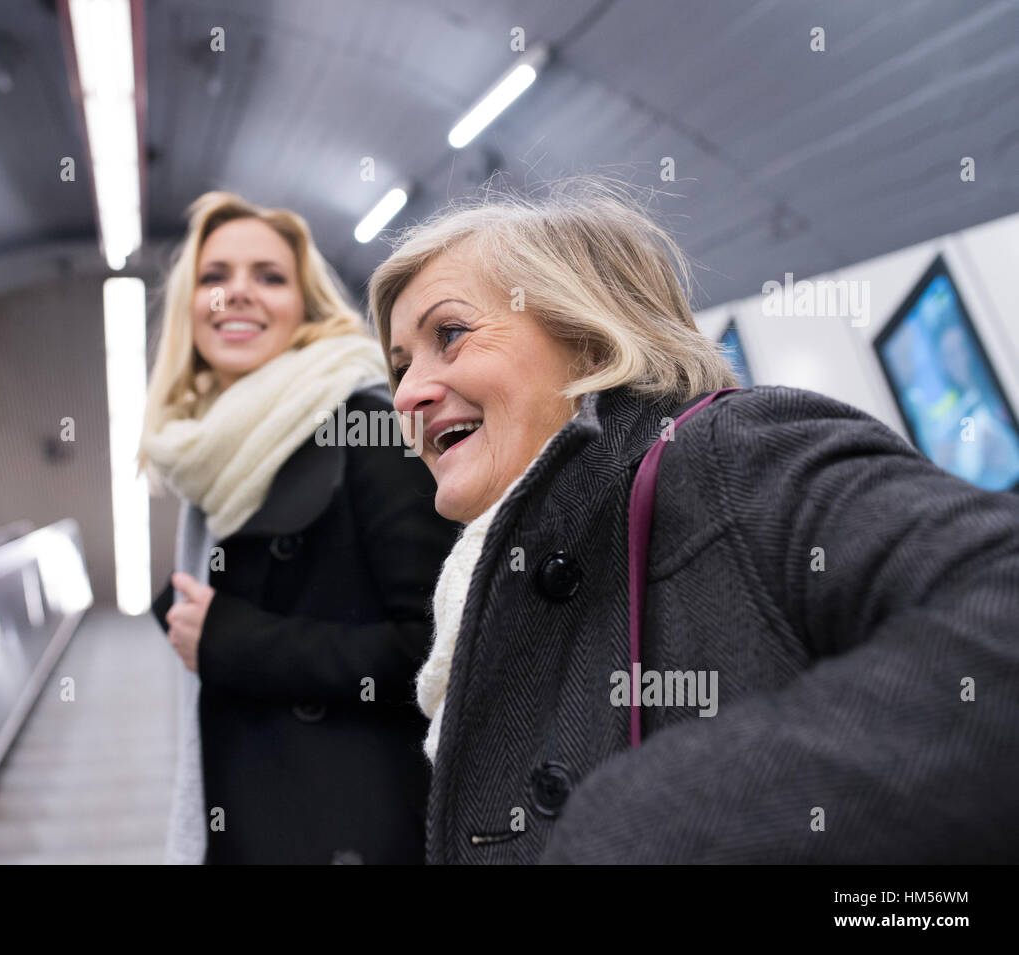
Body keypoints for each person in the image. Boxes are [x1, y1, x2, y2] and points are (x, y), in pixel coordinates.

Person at [369, 177, 1019, 863]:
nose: (408, 393)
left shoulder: (728, 451)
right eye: (399, 365)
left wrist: (642, 825)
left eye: (451, 333)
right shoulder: (477, 599)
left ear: (590, 340)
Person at [138, 191, 458, 865]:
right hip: (252, 815)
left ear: (306, 305)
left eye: (270, 276)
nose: (238, 293)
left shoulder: (364, 425)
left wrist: (236, 639)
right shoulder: (212, 448)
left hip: (353, 824)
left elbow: (436, 644)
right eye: (215, 276)